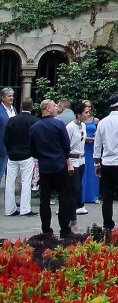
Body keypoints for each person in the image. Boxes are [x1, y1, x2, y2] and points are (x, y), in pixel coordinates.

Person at [29, 99, 76, 238]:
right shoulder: (58, 124)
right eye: (54, 106)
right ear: (47, 109)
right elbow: (66, 145)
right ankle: (64, 229)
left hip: (44, 166)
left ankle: (46, 230)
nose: (56, 108)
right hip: (59, 164)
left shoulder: (34, 127)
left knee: (45, 199)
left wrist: (41, 156)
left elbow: (32, 149)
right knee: (64, 197)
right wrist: (64, 157)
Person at [93, 92, 118, 234]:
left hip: (106, 163)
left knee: (107, 197)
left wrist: (97, 164)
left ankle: (108, 225)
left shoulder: (102, 122)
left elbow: (97, 145)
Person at [3, 96, 36, 217]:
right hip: (27, 155)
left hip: (12, 155)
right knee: (26, 182)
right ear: (32, 107)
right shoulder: (34, 121)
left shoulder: (12, 120)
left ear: (21, 107)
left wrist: (10, 150)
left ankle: (10, 209)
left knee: (10, 182)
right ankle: (25, 209)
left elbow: (6, 138)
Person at [66, 101, 90, 228]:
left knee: (78, 187)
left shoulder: (83, 126)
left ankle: (72, 215)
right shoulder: (70, 127)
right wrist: (68, 162)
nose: (88, 115)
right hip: (73, 160)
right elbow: (66, 145)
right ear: (78, 114)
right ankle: (71, 218)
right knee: (73, 189)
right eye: (85, 113)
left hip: (81, 159)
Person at [82, 101, 100, 205]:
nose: (88, 108)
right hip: (83, 147)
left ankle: (93, 196)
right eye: (85, 106)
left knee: (93, 171)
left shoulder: (96, 120)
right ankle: (82, 196)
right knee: (83, 171)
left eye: (89, 106)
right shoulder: (80, 120)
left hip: (92, 148)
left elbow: (99, 133)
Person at [0, 86, 16, 188]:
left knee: (10, 176)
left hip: (12, 146)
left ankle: (10, 202)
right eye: (9, 96)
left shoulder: (13, 109)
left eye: (12, 96)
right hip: (1, 145)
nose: (11, 98)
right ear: (2, 98)